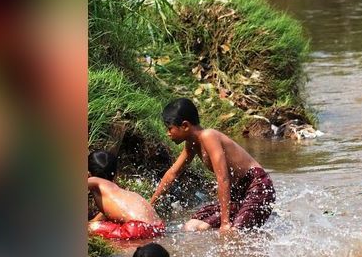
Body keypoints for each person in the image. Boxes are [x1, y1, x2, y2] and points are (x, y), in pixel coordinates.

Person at [149, 98, 275, 232]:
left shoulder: (209, 136)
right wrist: (150, 205)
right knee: (192, 227)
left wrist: (225, 223)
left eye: (170, 129)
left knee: (233, 233)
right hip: (237, 193)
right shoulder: (191, 144)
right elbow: (172, 173)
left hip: (257, 187)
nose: (168, 134)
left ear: (185, 126)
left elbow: (223, 178)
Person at [87, 151, 164, 240]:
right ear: (115, 174)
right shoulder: (117, 192)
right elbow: (106, 214)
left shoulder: (94, 180)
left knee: (89, 227)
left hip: (137, 228)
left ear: (88, 173)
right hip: (157, 227)